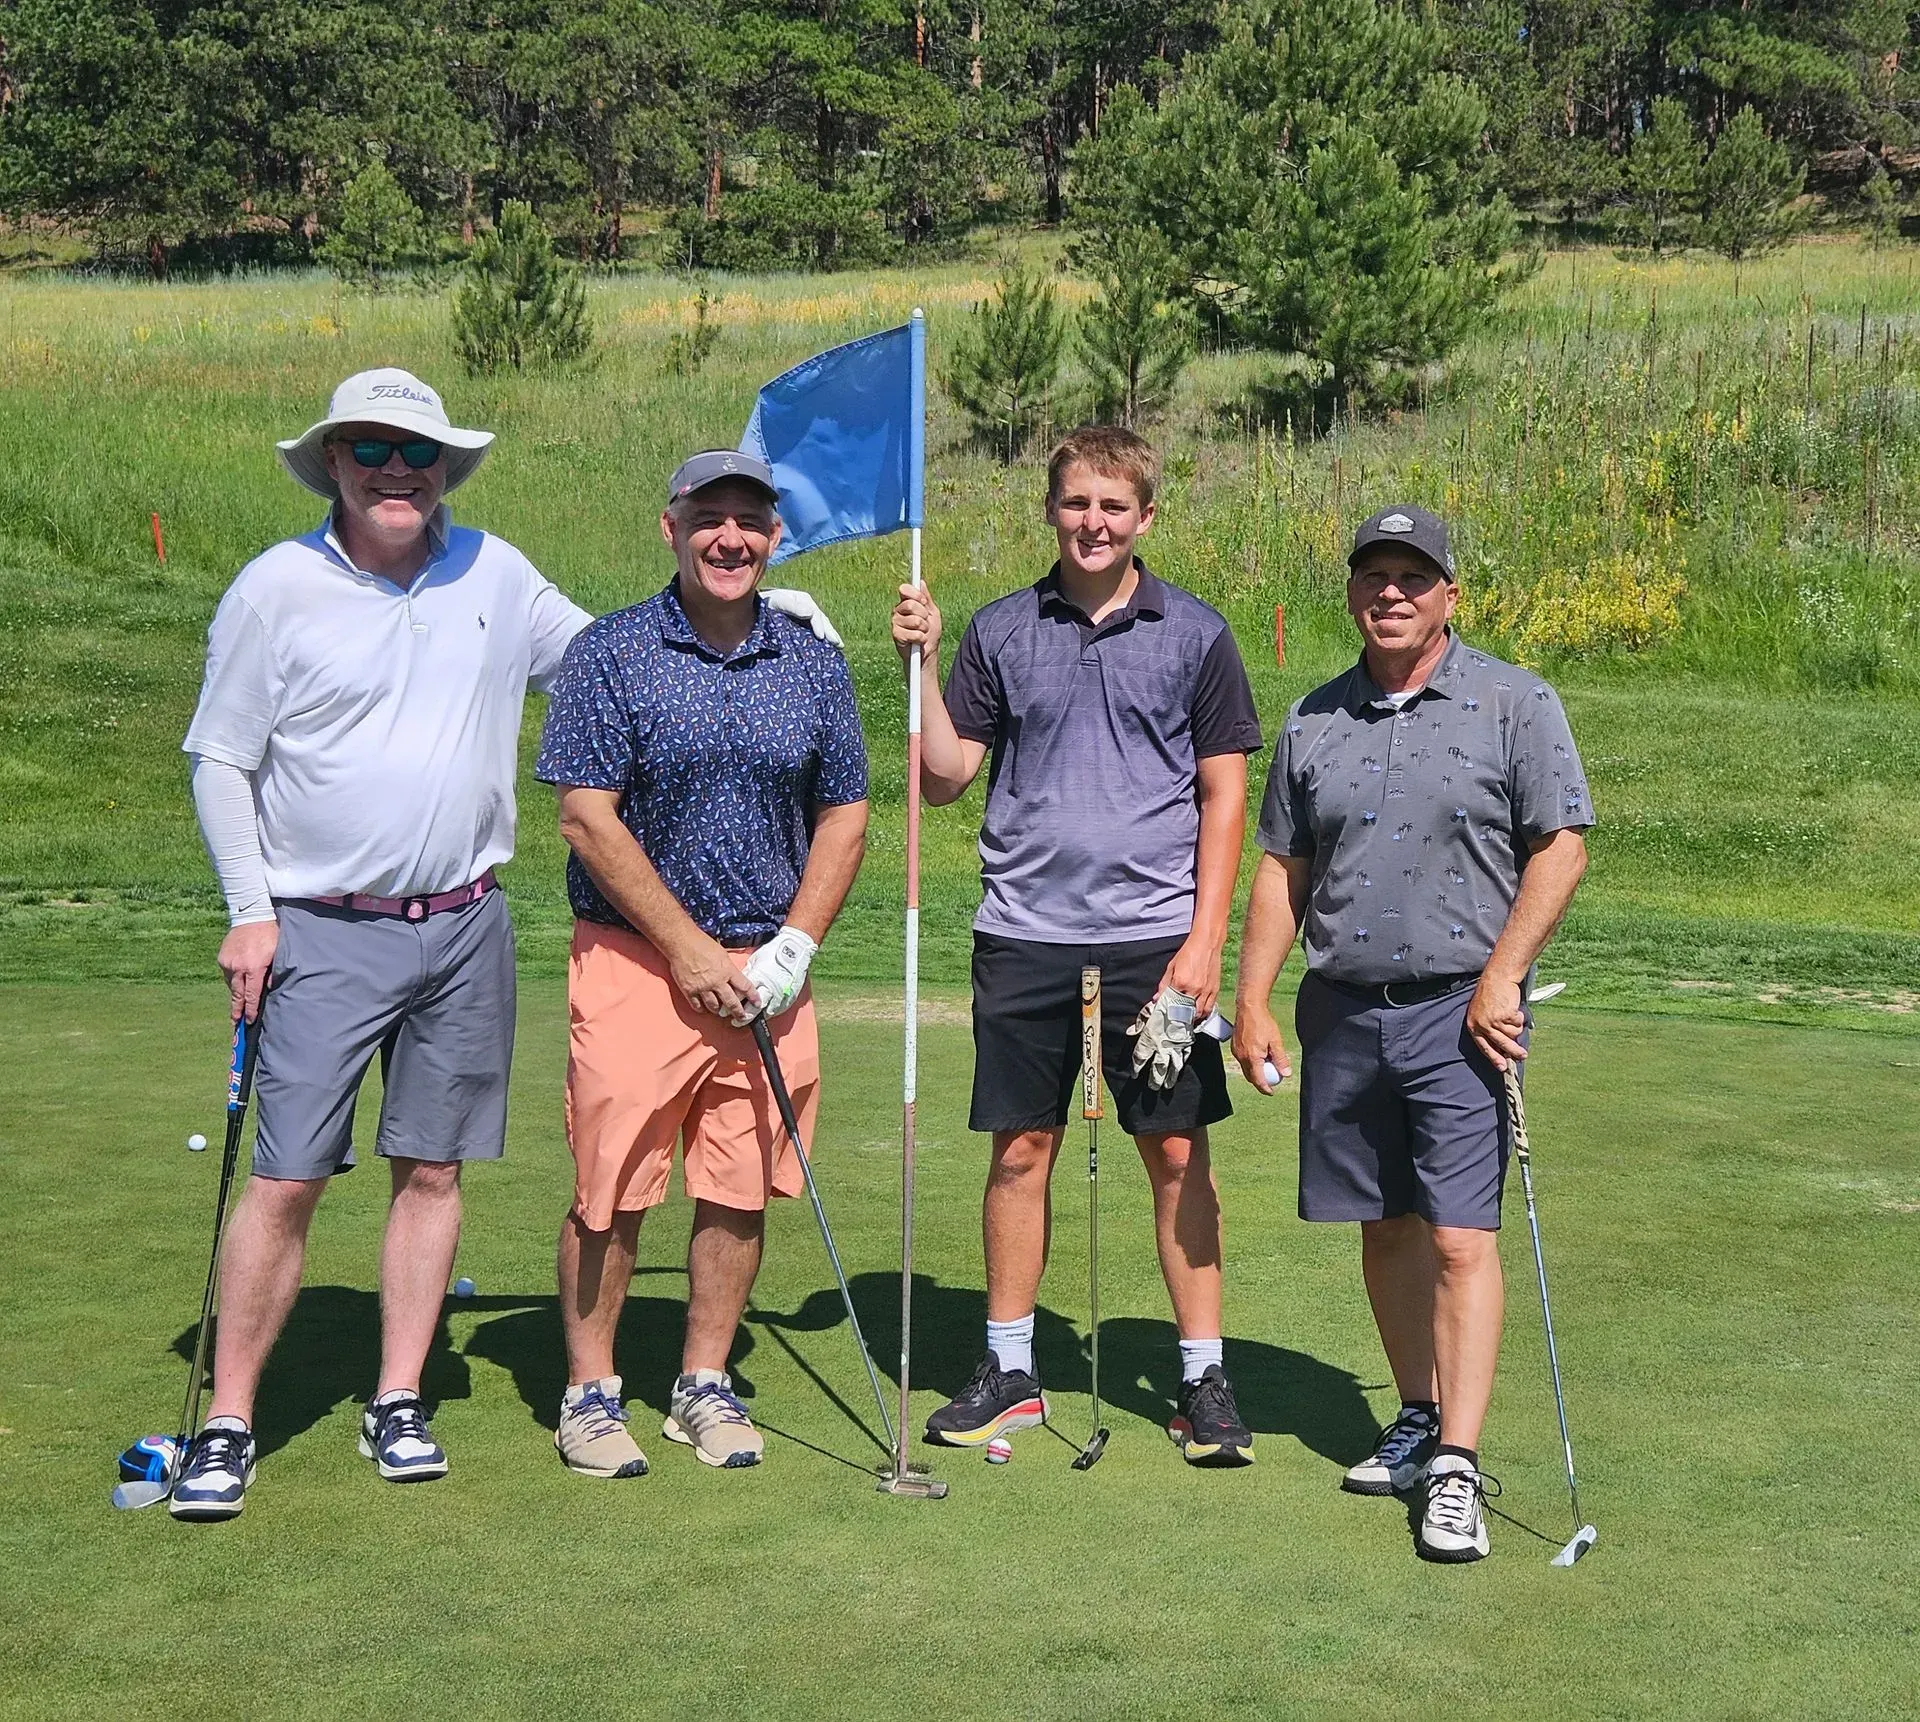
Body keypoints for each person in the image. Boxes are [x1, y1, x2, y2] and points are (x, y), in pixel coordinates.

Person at [174, 376, 840, 1520]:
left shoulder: (494, 572)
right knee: (286, 1179)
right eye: (374, 447)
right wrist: (249, 908)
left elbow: (623, 659)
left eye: (419, 450)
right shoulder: (274, 590)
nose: (399, 467)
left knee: (433, 1172)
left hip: (464, 922)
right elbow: (220, 758)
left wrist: (788, 624)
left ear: (446, 466)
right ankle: (230, 1418)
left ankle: (397, 1398)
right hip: (320, 925)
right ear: (335, 459)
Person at [890, 424, 1265, 1466]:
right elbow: (945, 773)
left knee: (1179, 1153)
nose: (1093, 523)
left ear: (1145, 516)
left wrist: (1205, 945)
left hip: (1154, 942)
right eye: (1076, 503)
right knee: (1021, 1150)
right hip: (1025, 933)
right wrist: (921, 667)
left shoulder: (1196, 633)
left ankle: (1202, 1380)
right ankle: (1010, 1369)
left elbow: (1225, 797)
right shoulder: (1004, 630)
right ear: (1051, 511)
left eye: (1113, 505)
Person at [1231, 504, 1592, 1562]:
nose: (1392, 593)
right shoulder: (1315, 718)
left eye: (1414, 577)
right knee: (1382, 1225)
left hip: (1461, 1012)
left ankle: (1457, 1469)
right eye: (1374, 576)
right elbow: (1282, 870)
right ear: (1352, 591)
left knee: (1457, 1235)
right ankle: (1419, 1416)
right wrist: (1250, 996)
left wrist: (1504, 977)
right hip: (1342, 1010)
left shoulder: (1512, 702)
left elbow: (1561, 844)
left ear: (1450, 593)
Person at [535, 450, 869, 1478]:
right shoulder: (613, 651)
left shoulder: (813, 660)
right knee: (612, 1188)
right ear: (670, 529)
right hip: (640, 962)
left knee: (737, 1187)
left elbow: (845, 810)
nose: (731, 537)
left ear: (775, 539)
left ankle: (703, 1383)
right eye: (709, 517)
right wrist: (685, 950)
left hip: (769, 966)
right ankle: (591, 1392)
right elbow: (586, 816)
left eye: (751, 522)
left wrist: (794, 947)